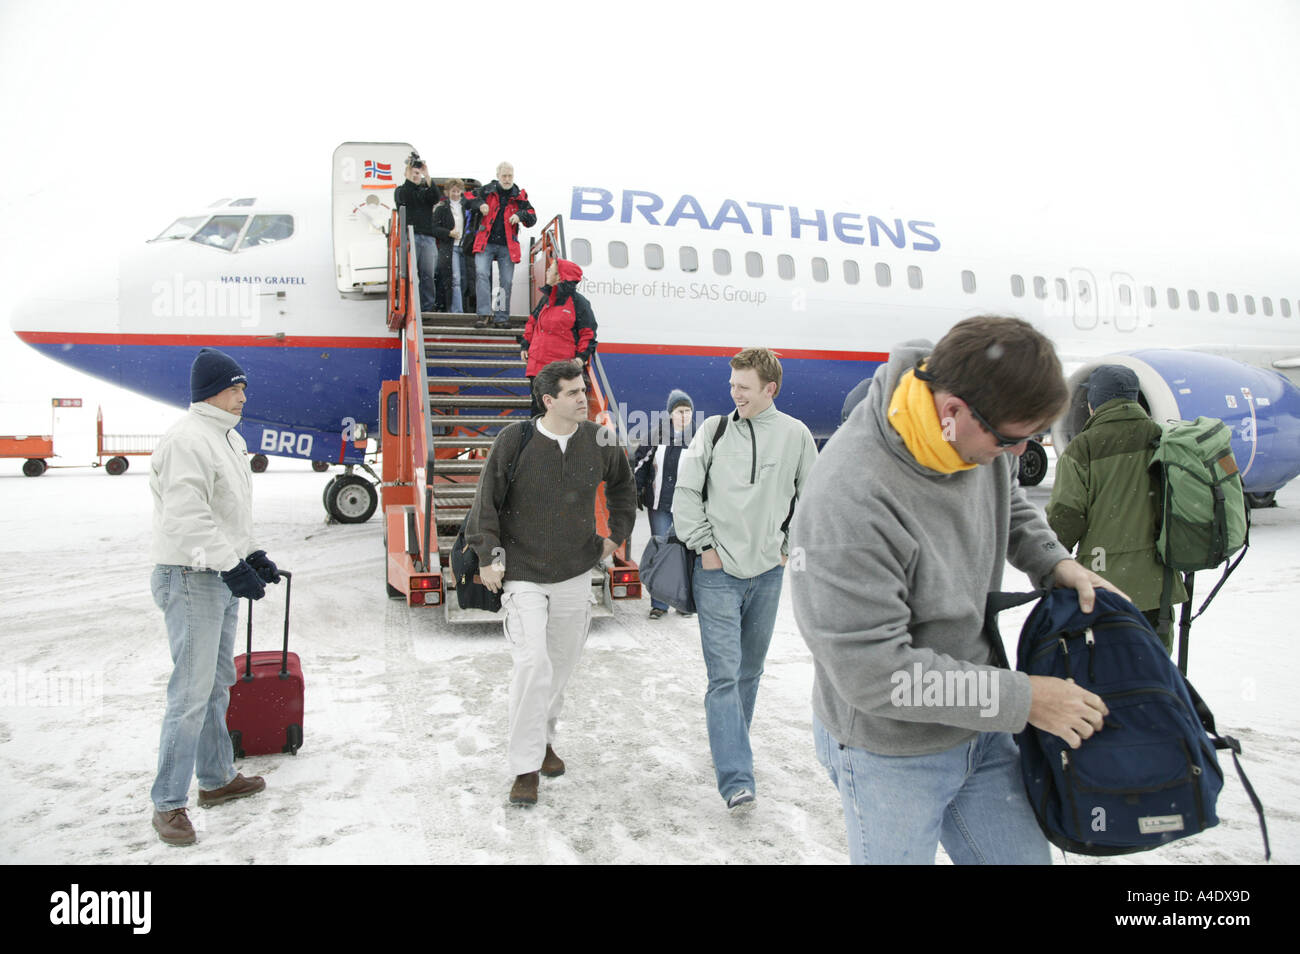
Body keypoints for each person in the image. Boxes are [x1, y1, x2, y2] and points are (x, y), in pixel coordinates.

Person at [789, 316, 1124, 865]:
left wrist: (1055, 563)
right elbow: (876, 674)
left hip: (982, 725)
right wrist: (1027, 699)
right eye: (1013, 439)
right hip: (890, 751)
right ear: (952, 413)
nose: (1019, 454)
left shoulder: (969, 426)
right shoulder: (849, 500)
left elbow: (1006, 495)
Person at [465, 359, 636, 806]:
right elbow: (486, 500)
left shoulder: (599, 439)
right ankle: (524, 769)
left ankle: (542, 741)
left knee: (558, 668)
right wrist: (487, 555)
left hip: (575, 573)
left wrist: (614, 536)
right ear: (548, 401)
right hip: (523, 575)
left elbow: (623, 487)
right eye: (573, 393)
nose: (584, 398)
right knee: (533, 664)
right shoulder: (515, 440)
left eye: (584, 390)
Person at [672, 348, 819, 810]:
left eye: (744, 387)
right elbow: (686, 491)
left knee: (750, 673)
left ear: (769, 389)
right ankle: (736, 776)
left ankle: (729, 746)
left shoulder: (795, 435)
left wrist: (783, 548)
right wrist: (706, 548)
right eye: (733, 385)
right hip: (716, 574)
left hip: (768, 575)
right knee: (725, 676)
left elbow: (812, 501)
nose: (734, 394)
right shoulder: (713, 430)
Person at [148, 348, 282, 846]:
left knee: (216, 683)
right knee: (189, 692)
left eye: (243, 388)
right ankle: (167, 803)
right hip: (190, 575)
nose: (243, 396)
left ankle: (216, 778)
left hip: (216, 572)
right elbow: (188, 519)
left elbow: (227, 514)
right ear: (211, 392)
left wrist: (252, 554)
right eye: (235, 388)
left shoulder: (226, 437)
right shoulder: (188, 440)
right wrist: (232, 566)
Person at [1046, 364, 1186, 652]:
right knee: (1155, 669)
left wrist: (1050, 559)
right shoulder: (1163, 439)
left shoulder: (1083, 447)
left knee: (1107, 670)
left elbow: (1067, 514)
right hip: (1158, 584)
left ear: (1094, 402)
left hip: (1102, 585)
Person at [632, 389, 696, 619]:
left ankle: (682, 601)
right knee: (661, 550)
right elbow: (640, 464)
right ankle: (659, 604)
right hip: (659, 505)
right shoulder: (656, 435)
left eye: (688, 411)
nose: (684, 416)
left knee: (684, 553)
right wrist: (635, 489)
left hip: (687, 508)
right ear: (671, 413)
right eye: (680, 411)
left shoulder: (699, 438)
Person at [520, 258, 597, 416]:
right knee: (538, 411)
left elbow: (588, 333)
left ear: (560, 276)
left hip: (560, 369)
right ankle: (538, 440)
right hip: (537, 366)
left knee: (558, 411)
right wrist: (525, 344)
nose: (547, 272)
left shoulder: (579, 303)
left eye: (551, 269)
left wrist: (580, 358)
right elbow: (532, 322)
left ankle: (558, 440)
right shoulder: (546, 299)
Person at [472, 161, 537, 327]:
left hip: (507, 245)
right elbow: (468, 199)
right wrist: (480, 204)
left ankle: (501, 317)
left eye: (510, 176)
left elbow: (532, 216)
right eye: (504, 176)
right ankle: (484, 314)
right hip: (485, 242)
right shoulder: (486, 190)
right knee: (481, 274)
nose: (507, 179)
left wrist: (520, 215)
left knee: (506, 281)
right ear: (498, 176)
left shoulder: (519, 195)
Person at [393, 152, 442, 313]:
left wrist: (426, 174)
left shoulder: (424, 192)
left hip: (427, 238)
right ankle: (410, 306)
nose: (416, 176)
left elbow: (435, 196)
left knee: (428, 275)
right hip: (410, 236)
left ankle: (427, 307)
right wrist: (409, 175)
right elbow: (404, 198)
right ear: (407, 174)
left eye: (417, 173)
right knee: (410, 275)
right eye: (413, 173)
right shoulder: (401, 190)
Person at [431, 178, 472, 313]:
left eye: (458, 191)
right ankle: (457, 311)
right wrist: (449, 233)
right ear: (447, 192)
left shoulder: (467, 207)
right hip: (451, 247)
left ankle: (462, 308)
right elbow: (434, 229)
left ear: (462, 191)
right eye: (452, 191)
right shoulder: (441, 208)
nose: (455, 194)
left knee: (465, 280)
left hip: (465, 247)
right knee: (455, 279)